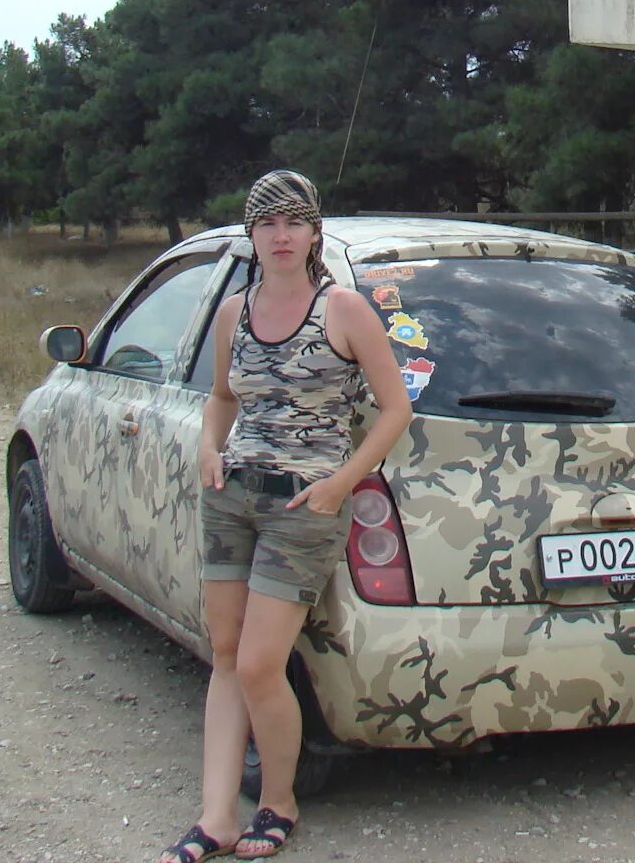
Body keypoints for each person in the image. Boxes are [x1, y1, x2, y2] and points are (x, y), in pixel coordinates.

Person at [157, 170, 413, 863]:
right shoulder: (231, 313)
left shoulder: (344, 310)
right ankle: (216, 817)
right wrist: (208, 447)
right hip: (232, 496)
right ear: (251, 234)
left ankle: (278, 801)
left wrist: (340, 484)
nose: (281, 235)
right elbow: (222, 397)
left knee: (260, 665)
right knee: (225, 655)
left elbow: (395, 409)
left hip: (302, 507)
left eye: (293, 222)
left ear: (313, 232)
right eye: (268, 223)